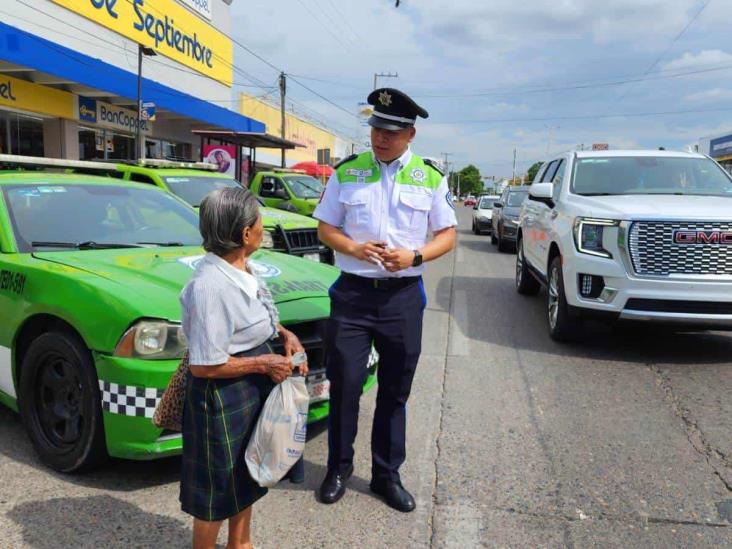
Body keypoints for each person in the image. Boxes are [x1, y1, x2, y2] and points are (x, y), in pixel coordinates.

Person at [313, 88, 457, 512]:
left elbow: (447, 235)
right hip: (353, 297)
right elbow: (326, 229)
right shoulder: (348, 172)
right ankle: (338, 469)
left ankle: (385, 475)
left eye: (391, 132)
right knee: (345, 387)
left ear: (410, 134)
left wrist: (414, 255)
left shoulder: (429, 177)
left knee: (394, 391)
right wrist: (355, 249)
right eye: (376, 128)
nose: (381, 138)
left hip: (402, 299)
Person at [179, 187, 309, 549]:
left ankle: (241, 544)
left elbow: (255, 319)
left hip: (248, 386)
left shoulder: (240, 268)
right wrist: (265, 362)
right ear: (244, 233)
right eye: (258, 220)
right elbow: (205, 366)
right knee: (215, 491)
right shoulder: (210, 286)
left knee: (244, 474)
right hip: (222, 394)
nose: (263, 225)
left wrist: (284, 334)